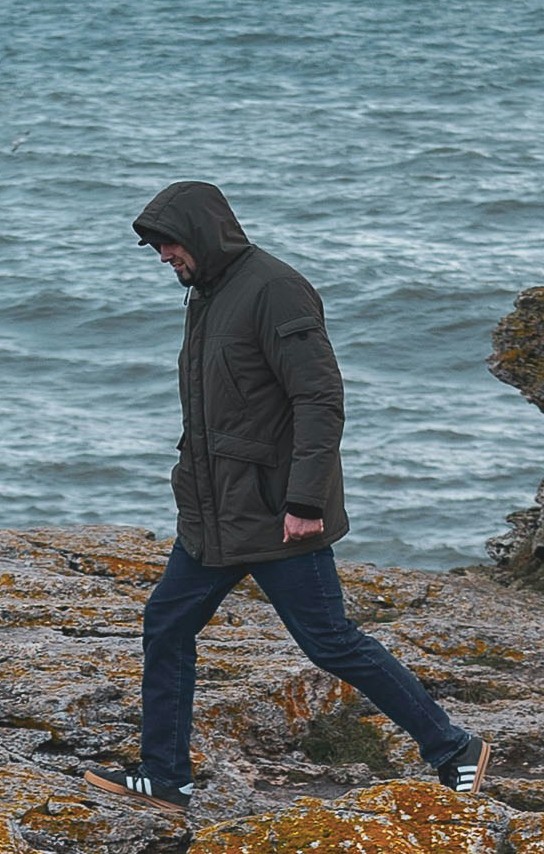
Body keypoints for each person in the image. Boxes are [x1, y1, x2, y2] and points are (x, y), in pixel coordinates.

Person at [121, 178, 481, 803]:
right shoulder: (207, 292)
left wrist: (305, 501)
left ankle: (454, 748)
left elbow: (319, 399)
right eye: (155, 249)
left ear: (202, 235)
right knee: (167, 624)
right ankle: (164, 775)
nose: (163, 259)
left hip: (274, 512)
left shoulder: (275, 288)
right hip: (214, 515)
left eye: (169, 245)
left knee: (331, 644)